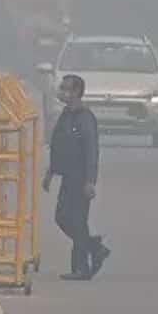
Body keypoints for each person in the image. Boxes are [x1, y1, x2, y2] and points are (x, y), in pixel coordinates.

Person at [42, 74, 112, 280]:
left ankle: (81, 268)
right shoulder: (67, 114)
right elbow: (58, 145)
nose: (61, 91)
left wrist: (90, 181)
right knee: (62, 217)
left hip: (81, 177)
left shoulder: (84, 117)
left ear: (75, 92)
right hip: (67, 176)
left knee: (78, 221)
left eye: (65, 88)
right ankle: (94, 248)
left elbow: (91, 150)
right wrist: (50, 173)